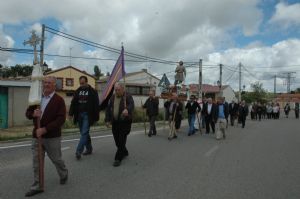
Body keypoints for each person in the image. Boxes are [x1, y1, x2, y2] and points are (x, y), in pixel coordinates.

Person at [25, 76, 68, 197]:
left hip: (52, 137)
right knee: (37, 162)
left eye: (49, 83)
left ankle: (64, 173)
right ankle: (38, 186)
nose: (46, 84)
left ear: (55, 85)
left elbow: (61, 119)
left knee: (56, 159)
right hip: (36, 136)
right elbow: (27, 113)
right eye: (45, 82)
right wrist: (33, 113)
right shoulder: (36, 99)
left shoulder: (59, 100)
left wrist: (45, 129)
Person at [69, 76, 100, 160]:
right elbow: (73, 103)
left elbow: (96, 106)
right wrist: (70, 114)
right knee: (84, 133)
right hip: (79, 115)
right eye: (80, 83)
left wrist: (96, 118)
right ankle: (89, 148)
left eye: (83, 83)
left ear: (87, 82)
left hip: (88, 115)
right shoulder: (78, 91)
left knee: (84, 132)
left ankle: (78, 151)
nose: (81, 85)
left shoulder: (93, 92)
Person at [105, 83, 134, 167]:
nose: (117, 91)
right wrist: (107, 120)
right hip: (115, 122)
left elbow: (131, 105)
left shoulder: (127, 96)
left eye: (118, 90)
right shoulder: (113, 97)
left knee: (121, 140)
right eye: (115, 90)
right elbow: (108, 109)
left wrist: (127, 109)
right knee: (117, 141)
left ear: (123, 89)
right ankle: (124, 151)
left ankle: (118, 158)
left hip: (125, 122)